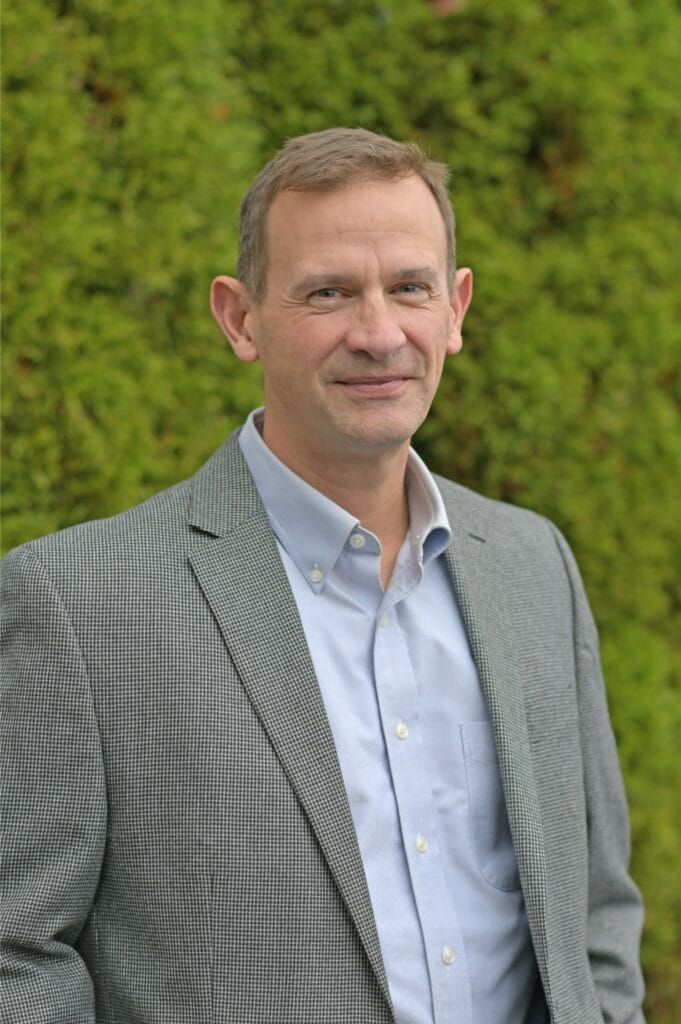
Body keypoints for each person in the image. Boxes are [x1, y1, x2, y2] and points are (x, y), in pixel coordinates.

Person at [1, 127, 645, 1023]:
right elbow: (16, 950)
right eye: (328, 293)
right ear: (240, 318)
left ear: (455, 308)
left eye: (409, 287)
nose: (378, 334)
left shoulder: (533, 565)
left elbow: (593, 914)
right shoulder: (80, 603)